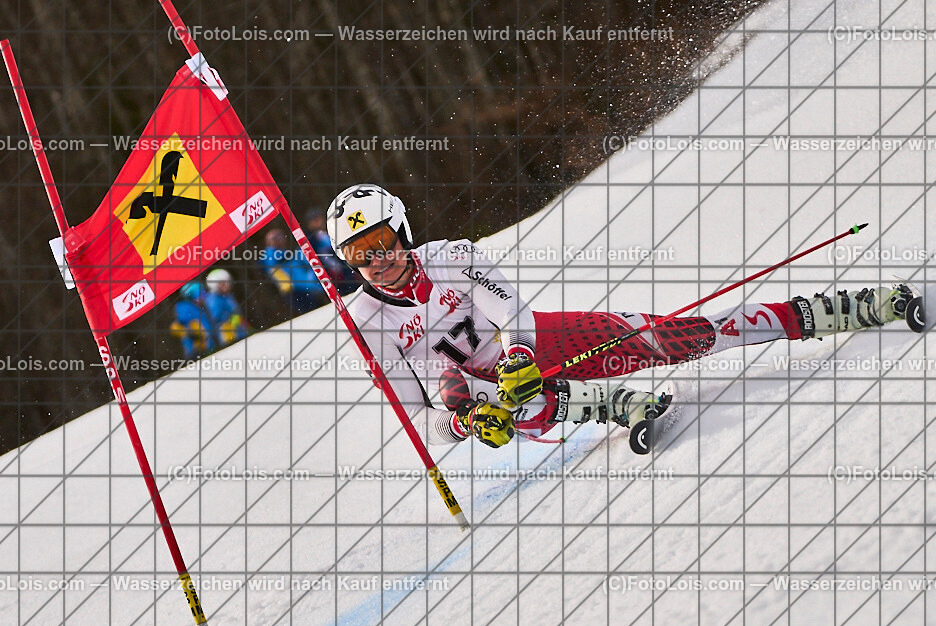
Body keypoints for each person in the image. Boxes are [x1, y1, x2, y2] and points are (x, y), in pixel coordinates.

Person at [326, 183, 918, 449]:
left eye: (380, 243)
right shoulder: (365, 324)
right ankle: (616, 406)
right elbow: (420, 417)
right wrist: (463, 426)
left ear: (401, 232)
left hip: (533, 350)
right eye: (358, 255)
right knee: (476, 395)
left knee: (677, 337)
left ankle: (837, 310)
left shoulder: (454, 258)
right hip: (499, 401)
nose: (375, 262)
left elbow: (516, 316)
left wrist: (520, 358)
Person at [261, 227, 328, 315]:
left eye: (281, 237)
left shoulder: (286, 253)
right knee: (315, 314)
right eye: (276, 238)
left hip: (305, 289)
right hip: (292, 291)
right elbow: (275, 260)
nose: (281, 240)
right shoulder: (270, 254)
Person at [305, 207, 357, 293]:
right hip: (333, 272)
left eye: (319, 218)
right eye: (315, 220)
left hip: (346, 266)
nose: (319, 222)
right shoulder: (312, 240)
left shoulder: (331, 230)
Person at [170, 282, 218, 360]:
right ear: (192, 296)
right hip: (196, 350)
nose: (204, 296)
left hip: (209, 347)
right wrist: (192, 333)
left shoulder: (201, 308)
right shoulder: (185, 308)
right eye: (201, 293)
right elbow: (176, 326)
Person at [204, 268, 251, 345]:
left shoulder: (227, 296)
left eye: (227, 282)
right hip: (229, 336)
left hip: (240, 332)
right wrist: (232, 321)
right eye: (222, 283)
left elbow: (236, 313)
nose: (226, 285)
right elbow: (218, 317)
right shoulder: (214, 299)